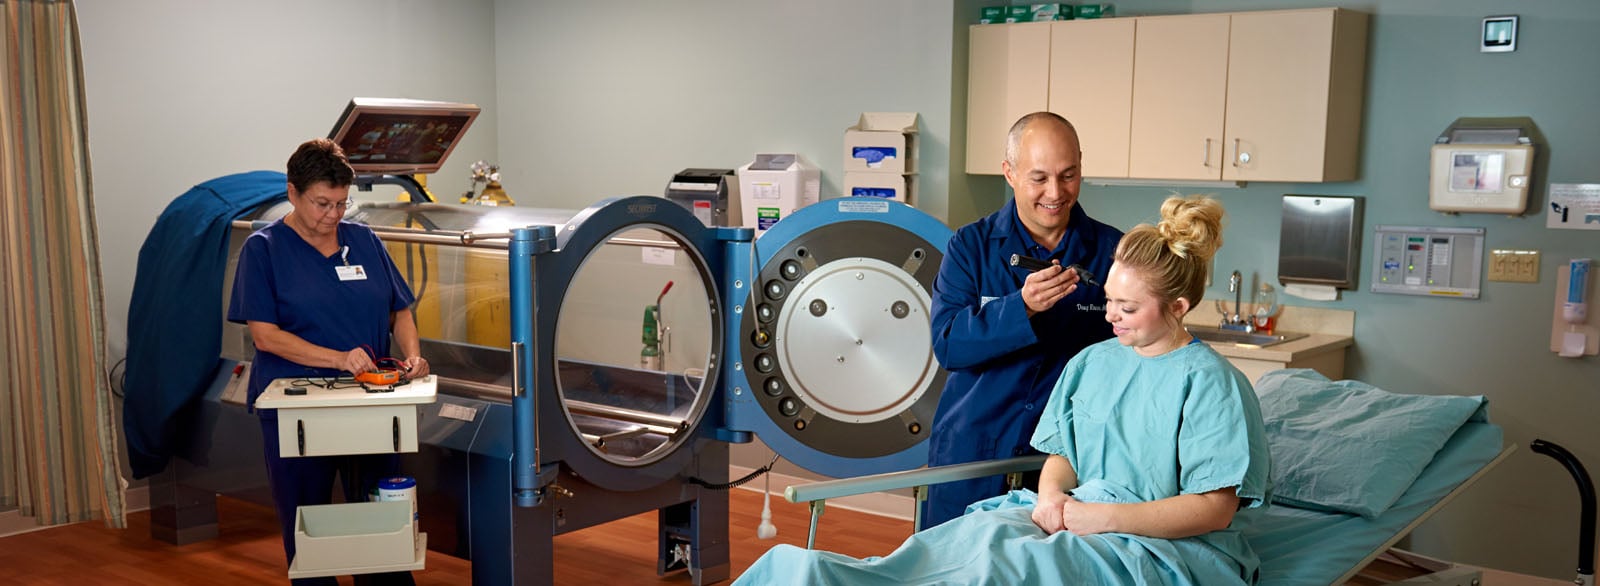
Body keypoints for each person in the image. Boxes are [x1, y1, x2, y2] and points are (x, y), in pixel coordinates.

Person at [734, 194, 1271, 585]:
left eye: (1126, 308)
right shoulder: (1093, 361)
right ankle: (824, 576)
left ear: (1177, 307)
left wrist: (1102, 518)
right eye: (1107, 299)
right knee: (970, 541)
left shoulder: (1210, 384)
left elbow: (1214, 509)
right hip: (1076, 517)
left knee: (1008, 568)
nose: (1109, 315)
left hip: (1152, 546)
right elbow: (1063, 453)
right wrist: (1052, 494)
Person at [228, 138, 429, 586]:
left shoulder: (364, 241)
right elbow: (266, 336)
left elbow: (400, 310)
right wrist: (338, 358)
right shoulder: (264, 250)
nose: (333, 215)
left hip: (370, 401)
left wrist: (413, 355)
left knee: (384, 521)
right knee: (309, 529)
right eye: (322, 203)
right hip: (295, 407)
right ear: (293, 193)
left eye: (342, 203)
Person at [924, 111, 1123, 528]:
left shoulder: (1113, 253)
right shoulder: (969, 246)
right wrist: (1021, 307)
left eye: (1068, 176)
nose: (1055, 192)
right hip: (974, 453)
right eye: (1039, 178)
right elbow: (948, 343)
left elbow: (1132, 354)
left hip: (1064, 464)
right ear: (1009, 173)